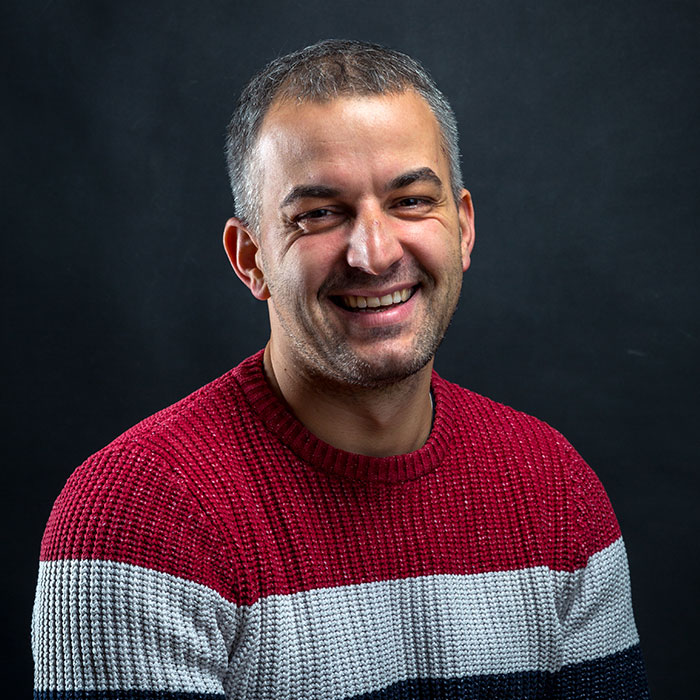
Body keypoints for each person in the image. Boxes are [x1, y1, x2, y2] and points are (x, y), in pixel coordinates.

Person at [32, 40, 649, 700]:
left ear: (463, 228)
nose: (374, 254)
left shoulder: (555, 491)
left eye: (411, 200)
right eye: (320, 214)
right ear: (250, 258)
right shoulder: (138, 516)